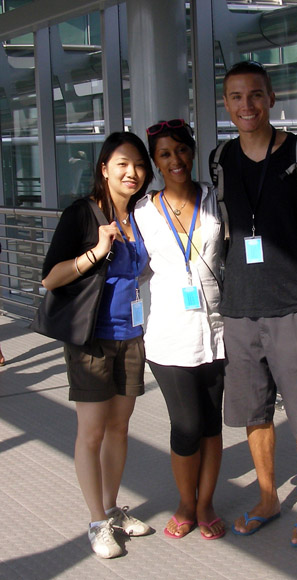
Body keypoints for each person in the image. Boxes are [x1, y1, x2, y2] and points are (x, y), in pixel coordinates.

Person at [216, 61, 297, 547]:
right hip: (241, 307)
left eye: (254, 95)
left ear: (270, 98)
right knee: (255, 412)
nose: (245, 105)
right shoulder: (220, 158)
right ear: (226, 104)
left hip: (295, 306)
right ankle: (268, 497)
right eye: (235, 97)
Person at [41, 131, 155, 559]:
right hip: (91, 337)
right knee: (91, 432)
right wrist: (96, 252)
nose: (132, 172)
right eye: (122, 164)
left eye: (139, 166)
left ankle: (111, 507)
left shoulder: (142, 215)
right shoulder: (83, 215)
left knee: (119, 427)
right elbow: (50, 277)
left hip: (131, 335)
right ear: (104, 169)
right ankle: (96, 522)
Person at [134, 119, 226, 541]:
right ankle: (185, 502)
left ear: (193, 151)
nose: (176, 160)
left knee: (211, 424)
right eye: (165, 154)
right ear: (155, 162)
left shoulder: (215, 199)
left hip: (217, 330)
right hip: (169, 336)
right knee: (186, 424)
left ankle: (205, 504)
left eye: (182, 151)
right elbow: (128, 265)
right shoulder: (142, 213)